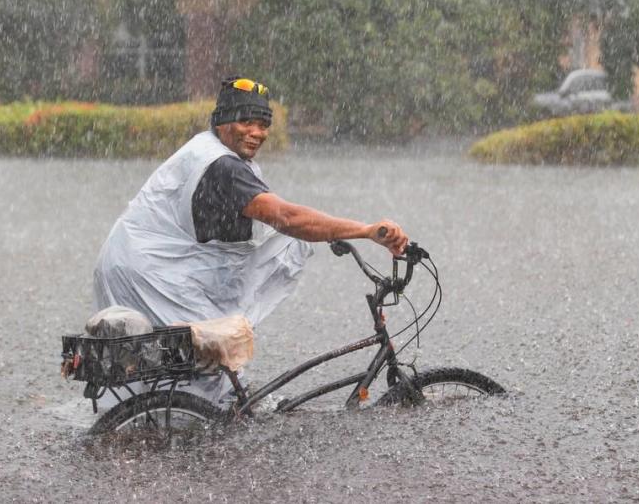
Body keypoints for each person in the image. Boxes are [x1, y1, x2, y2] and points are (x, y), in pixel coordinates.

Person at [92, 76, 408, 400]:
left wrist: (323, 232)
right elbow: (286, 218)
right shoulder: (222, 166)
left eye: (263, 124)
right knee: (204, 362)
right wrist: (366, 230)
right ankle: (193, 434)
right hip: (149, 272)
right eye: (246, 122)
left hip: (139, 262)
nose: (257, 133)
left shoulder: (209, 149)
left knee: (182, 365)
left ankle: (156, 430)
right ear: (223, 121)